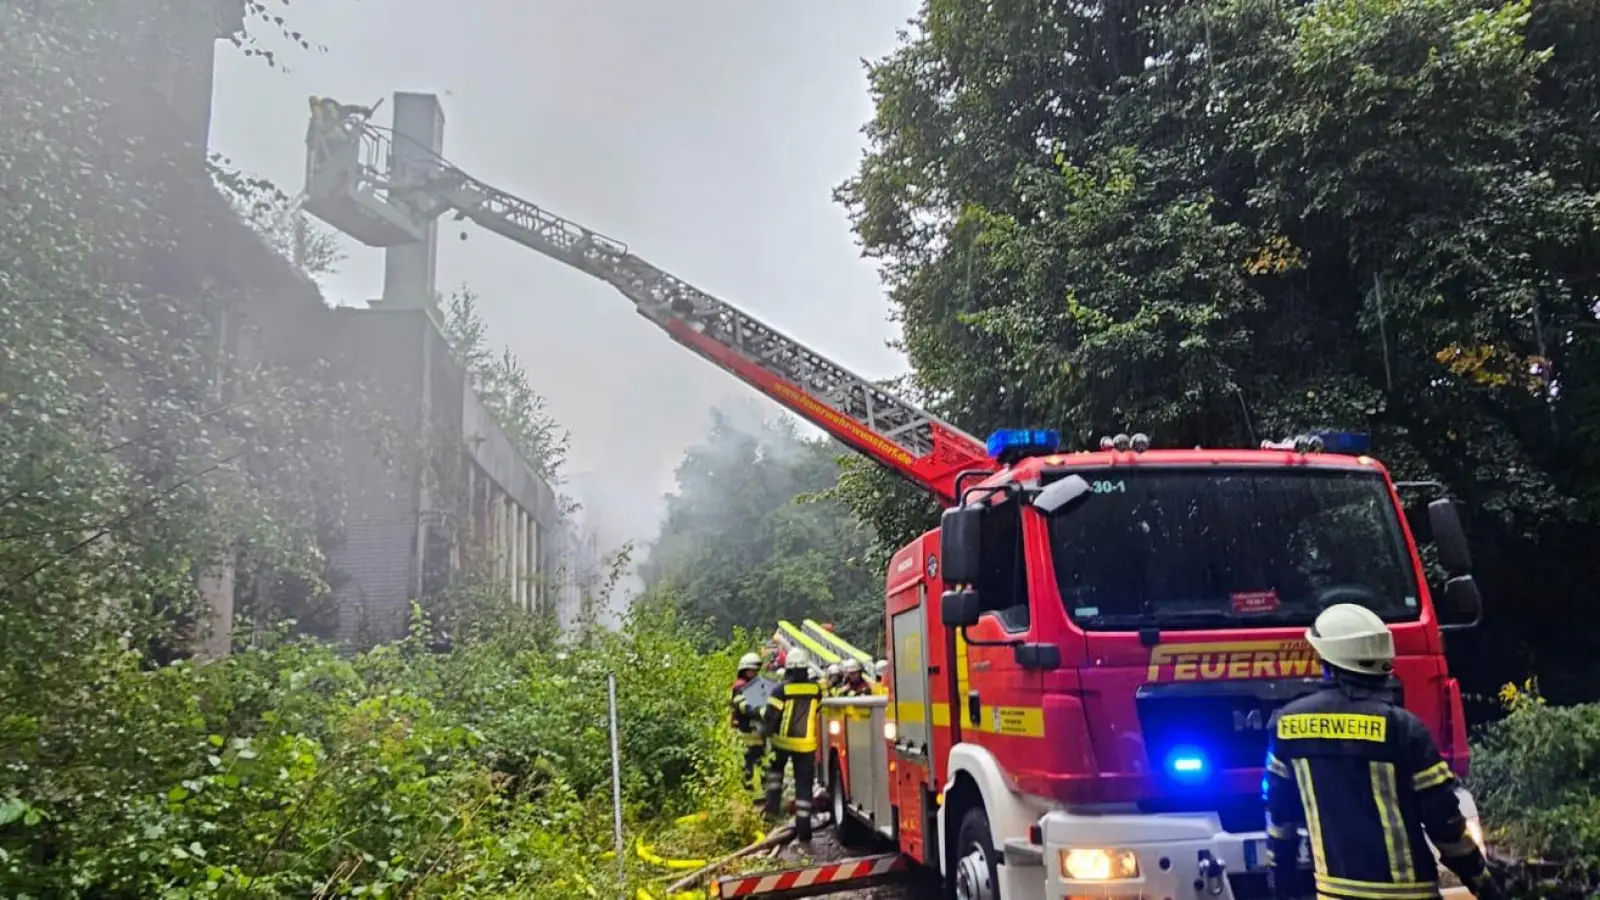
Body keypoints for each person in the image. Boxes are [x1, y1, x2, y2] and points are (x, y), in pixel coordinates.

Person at [1264, 604, 1504, 900]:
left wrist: (1280, 884)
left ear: (1324, 658)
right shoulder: (1404, 729)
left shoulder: (1288, 726)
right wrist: (1484, 883)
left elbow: (1280, 822)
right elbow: (1445, 825)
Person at [762, 647, 822, 842]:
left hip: (782, 742)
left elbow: (771, 716)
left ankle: (771, 813)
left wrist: (763, 734)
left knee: (775, 776)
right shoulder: (816, 689)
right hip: (806, 745)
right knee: (804, 786)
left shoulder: (781, 690)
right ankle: (804, 830)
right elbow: (817, 710)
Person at [730, 652, 768, 796]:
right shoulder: (739, 686)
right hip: (746, 731)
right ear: (744, 670)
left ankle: (766, 793)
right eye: (752, 670)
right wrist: (759, 712)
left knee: (765, 762)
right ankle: (748, 795)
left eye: (756, 670)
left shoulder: (757, 685)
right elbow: (743, 705)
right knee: (748, 765)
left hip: (758, 731)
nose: (755, 673)